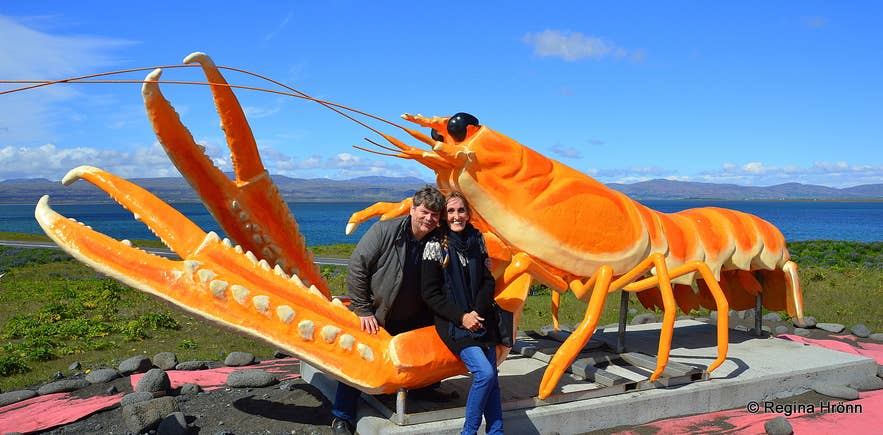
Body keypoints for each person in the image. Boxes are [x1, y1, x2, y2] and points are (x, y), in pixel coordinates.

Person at [331, 186, 445, 435]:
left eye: (435, 215)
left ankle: (424, 390)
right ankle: (342, 415)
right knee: (359, 361)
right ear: (413, 209)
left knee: (425, 356)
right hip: (380, 313)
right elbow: (357, 267)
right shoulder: (385, 231)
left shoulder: (438, 238)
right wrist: (363, 310)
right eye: (425, 212)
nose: (429, 219)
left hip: (420, 315)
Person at [421, 191, 504, 435]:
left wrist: (477, 312)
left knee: (493, 382)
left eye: (461, 210)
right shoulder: (435, 245)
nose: (456, 216)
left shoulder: (477, 239)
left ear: (468, 213)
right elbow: (430, 293)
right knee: (485, 374)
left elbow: (487, 282)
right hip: (453, 323)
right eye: (451, 211)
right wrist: (462, 317)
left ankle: (496, 432)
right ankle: (468, 432)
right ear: (445, 216)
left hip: (480, 319)